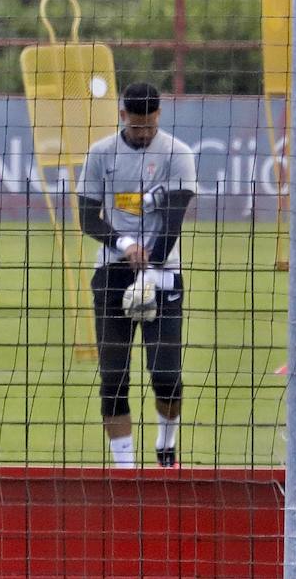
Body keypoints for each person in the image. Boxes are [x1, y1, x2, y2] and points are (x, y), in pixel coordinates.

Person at [76, 82, 197, 468]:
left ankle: (166, 447)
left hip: (162, 275)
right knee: (114, 378)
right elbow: (86, 217)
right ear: (122, 115)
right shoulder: (100, 154)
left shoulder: (178, 154)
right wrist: (125, 245)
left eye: (150, 125)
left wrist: (153, 263)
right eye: (136, 126)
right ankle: (125, 469)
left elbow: (174, 221)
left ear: (158, 116)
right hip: (114, 272)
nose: (143, 133)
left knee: (166, 374)